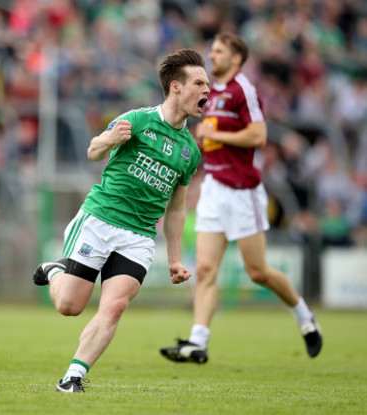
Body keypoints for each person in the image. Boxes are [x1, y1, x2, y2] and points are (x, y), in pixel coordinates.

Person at [33, 49, 210, 392]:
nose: (207, 90)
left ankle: (73, 377)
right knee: (70, 306)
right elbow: (94, 150)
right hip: (99, 220)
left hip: (139, 237)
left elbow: (175, 209)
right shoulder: (138, 120)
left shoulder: (190, 150)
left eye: (208, 84)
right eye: (199, 83)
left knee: (113, 306)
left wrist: (174, 258)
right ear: (176, 87)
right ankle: (53, 271)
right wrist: (109, 138)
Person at [160, 33, 322, 364]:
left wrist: (213, 134)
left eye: (218, 51)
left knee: (258, 271)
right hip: (215, 190)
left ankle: (305, 316)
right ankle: (197, 341)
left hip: (242, 191)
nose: (212, 55)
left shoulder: (242, 90)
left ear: (236, 58)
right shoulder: (210, 93)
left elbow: (259, 136)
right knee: (205, 269)